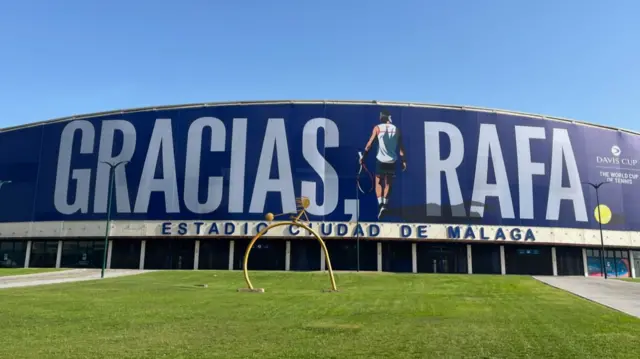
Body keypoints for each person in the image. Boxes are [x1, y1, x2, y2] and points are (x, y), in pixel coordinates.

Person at [361, 110, 406, 219]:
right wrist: (403, 161)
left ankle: (380, 204)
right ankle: (385, 205)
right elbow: (400, 149)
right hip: (392, 160)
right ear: (389, 118)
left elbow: (369, 144)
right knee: (388, 183)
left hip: (380, 160)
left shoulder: (377, 128)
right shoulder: (397, 130)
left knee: (378, 182)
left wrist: (364, 156)